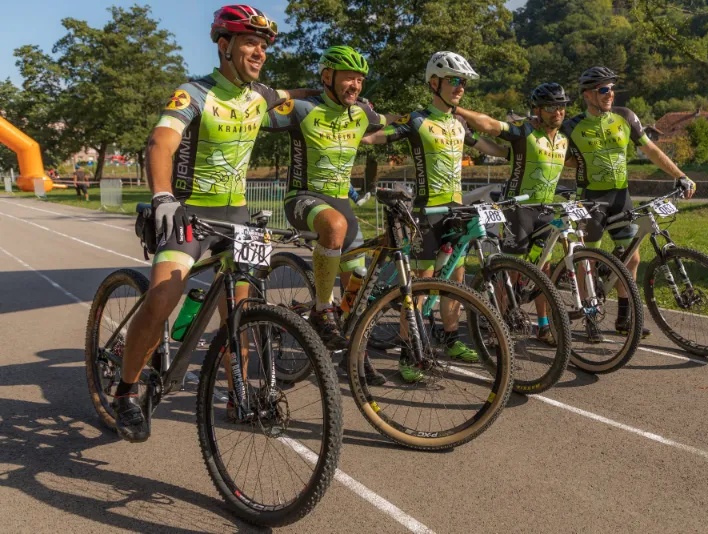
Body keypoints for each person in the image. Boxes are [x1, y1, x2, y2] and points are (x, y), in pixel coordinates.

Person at [111, 5, 320, 443]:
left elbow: (290, 94)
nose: (260, 53)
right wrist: (163, 195)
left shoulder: (260, 94)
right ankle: (126, 391)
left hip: (238, 216)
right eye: (250, 43)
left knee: (243, 312)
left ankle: (236, 394)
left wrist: (328, 91)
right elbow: (160, 142)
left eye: (263, 46)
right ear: (224, 45)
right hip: (188, 212)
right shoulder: (194, 93)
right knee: (162, 297)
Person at [361, 51, 509, 382]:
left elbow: (487, 147)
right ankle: (408, 354)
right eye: (453, 80)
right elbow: (377, 136)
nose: (460, 87)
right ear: (434, 83)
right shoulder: (417, 120)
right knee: (419, 287)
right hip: (427, 213)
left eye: (463, 82)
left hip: (455, 210)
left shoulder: (458, 123)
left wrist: (514, 151)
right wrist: (354, 131)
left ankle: (451, 339)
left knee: (455, 280)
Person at [262, 45, 396, 386]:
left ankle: (356, 357)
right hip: (303, 198)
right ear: (327, 76)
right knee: (334, 225)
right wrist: (295, 92)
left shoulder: (362, 113)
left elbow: (387, 122)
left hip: (341, 204)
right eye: (349, 78)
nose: (355, 85)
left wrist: (421, 121)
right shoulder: (303, 109)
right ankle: (323, 310)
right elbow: (255, 113)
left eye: (360, 80)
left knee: (361, 283)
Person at [561, 66, 697, 338]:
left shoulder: (625, 117)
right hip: (591, 200)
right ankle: (590, 317)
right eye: (603, 89)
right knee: (587, 261)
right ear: (587, 95)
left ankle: (624, 319)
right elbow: (559, 158)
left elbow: (651, 150)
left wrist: (680, 175)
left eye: (611, 88)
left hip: (621, 197)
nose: (609, 94)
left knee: (632, 258)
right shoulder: (571, 126)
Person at [454, 82, 572, 345]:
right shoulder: (524, 132)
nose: (558, 112)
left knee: (544, 270)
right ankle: (495, 322)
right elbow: (490, 125)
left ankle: (543, 325)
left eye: (562, 106)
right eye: (550, 107)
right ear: (537, 110)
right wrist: (457, 109)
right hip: (517, 210)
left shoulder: (563, 140)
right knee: (510, 269)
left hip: (545, 210)